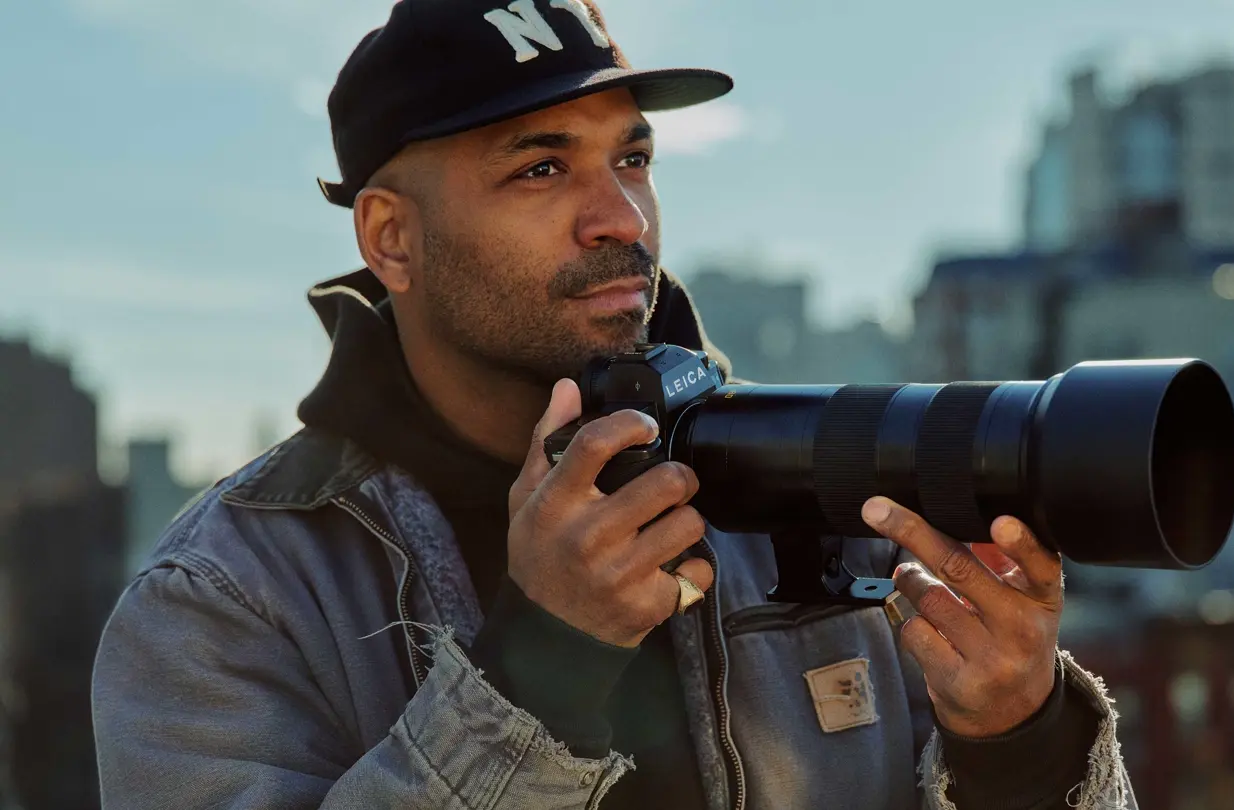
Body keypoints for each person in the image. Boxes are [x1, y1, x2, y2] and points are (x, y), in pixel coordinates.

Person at [91, 1, 1136, 808]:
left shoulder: (819, 504)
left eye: (631, 157)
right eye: (542, 167)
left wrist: (1020, 742)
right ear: (390, 238)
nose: (619, 216)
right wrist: (539, 669)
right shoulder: (224, 599)